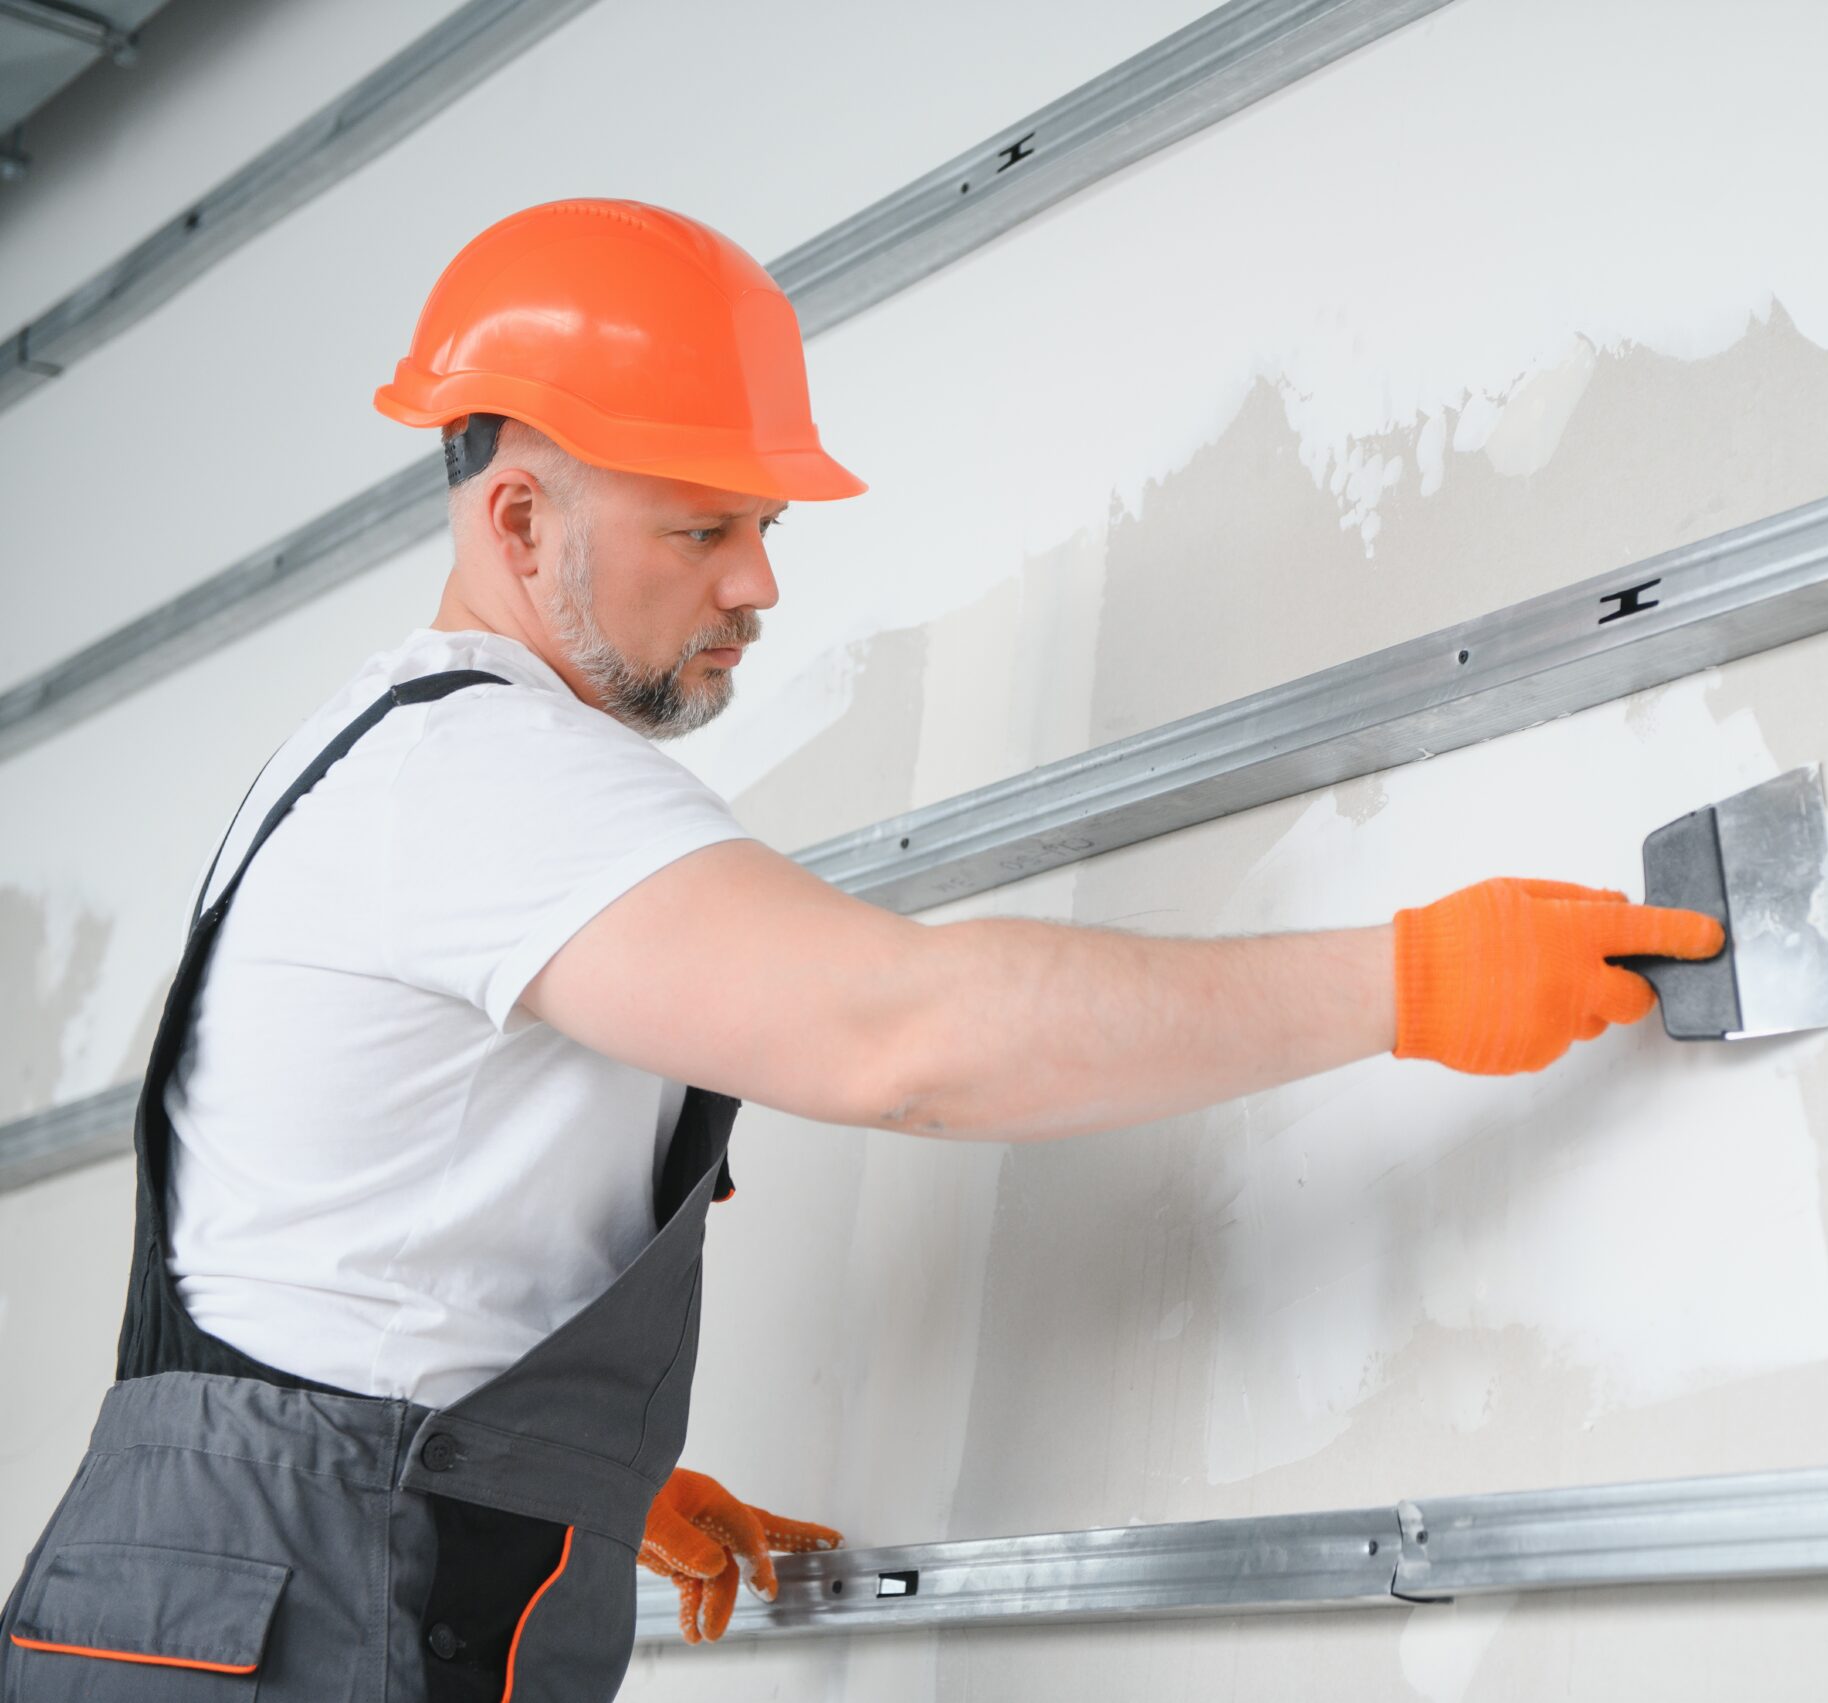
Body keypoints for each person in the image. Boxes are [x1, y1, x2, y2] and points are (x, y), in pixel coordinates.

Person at [0, 199, 1722, 1700]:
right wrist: (1411, 980)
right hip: (304, 1590)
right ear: (518, 522)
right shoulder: (481, 772)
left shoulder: (390, 760)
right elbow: (906, 1039)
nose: (760, 583)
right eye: (703, 528)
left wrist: (552, 1468)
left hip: (277, 1559)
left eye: (768, 526)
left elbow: (345, 1229)